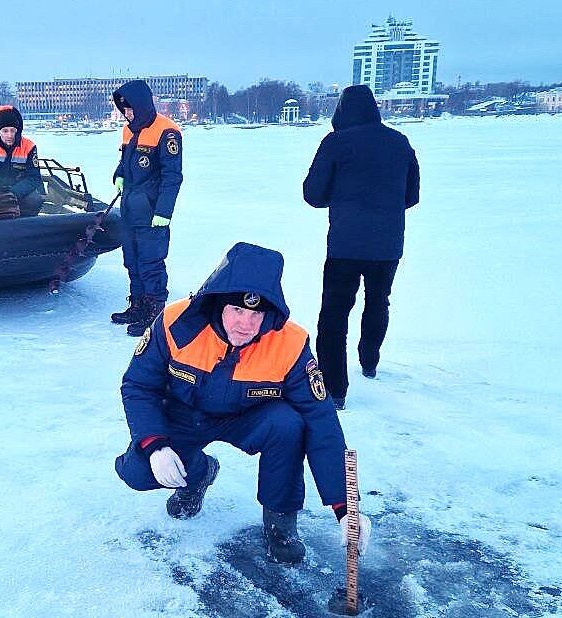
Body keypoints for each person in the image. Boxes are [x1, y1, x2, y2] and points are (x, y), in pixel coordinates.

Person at [114, 242, 371, 564]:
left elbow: (321, 421)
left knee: (289, 424)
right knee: (137, 472)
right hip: (184, 414)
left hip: (250, 417)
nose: (245, 324)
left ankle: (281, 522)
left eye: (256, 313)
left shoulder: (290, 343)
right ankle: (198, 474)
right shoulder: (174, 323)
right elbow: (138, 385)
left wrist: (345, 506)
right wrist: (155, 446)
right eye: (237, 310)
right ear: (218, 303)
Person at [303, 85, 420, 411]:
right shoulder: (400, 143)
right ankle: (370, 362)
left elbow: (312, 194)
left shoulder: (335, 143)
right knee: (378, 301)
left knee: (334, 314)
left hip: (344, 245)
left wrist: (340, 198)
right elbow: (411, 196)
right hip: (387, 245)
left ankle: (335, 390)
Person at [109, 80, 184, 337]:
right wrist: (119, 175)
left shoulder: (167, 132)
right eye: (123, 110)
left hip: (152, 212)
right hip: (130, 207)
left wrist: (164, 211)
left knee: (151, 262)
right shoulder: (128, 131)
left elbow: (172, 176)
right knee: (132, 260)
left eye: (129, 109)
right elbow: (125, 162)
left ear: (140, 105)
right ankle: (138, 305)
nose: (126, 114)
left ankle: (154, 311)